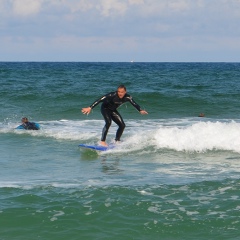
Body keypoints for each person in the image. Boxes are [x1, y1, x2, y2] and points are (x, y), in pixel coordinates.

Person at [81, 85, 148, 146]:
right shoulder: (112, 95)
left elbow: (134, 103)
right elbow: (100, 99)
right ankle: (102, 141)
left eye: (122, 92)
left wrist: (140, 110)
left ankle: (117, 140)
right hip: (105, 109)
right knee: (108, 122)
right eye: (118, 92)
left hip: (113, 110)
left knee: (122, 125)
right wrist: (90, 107)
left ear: (125, 92)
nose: (120, 93)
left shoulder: (128, 97)